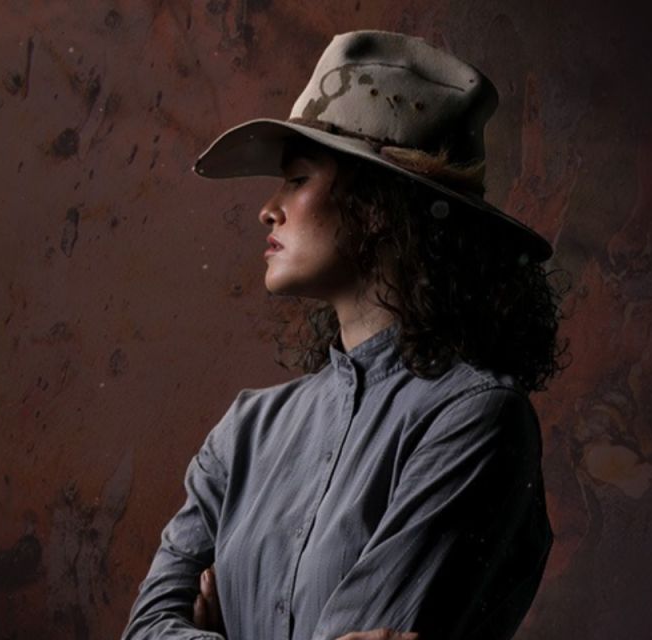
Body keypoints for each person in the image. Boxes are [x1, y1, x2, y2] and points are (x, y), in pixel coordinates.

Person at [121, 30, 568, 640]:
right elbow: (146, 628)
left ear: (378, 204)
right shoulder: (246, 430)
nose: (267, 208)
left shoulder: (476, 420)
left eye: (297, 178)